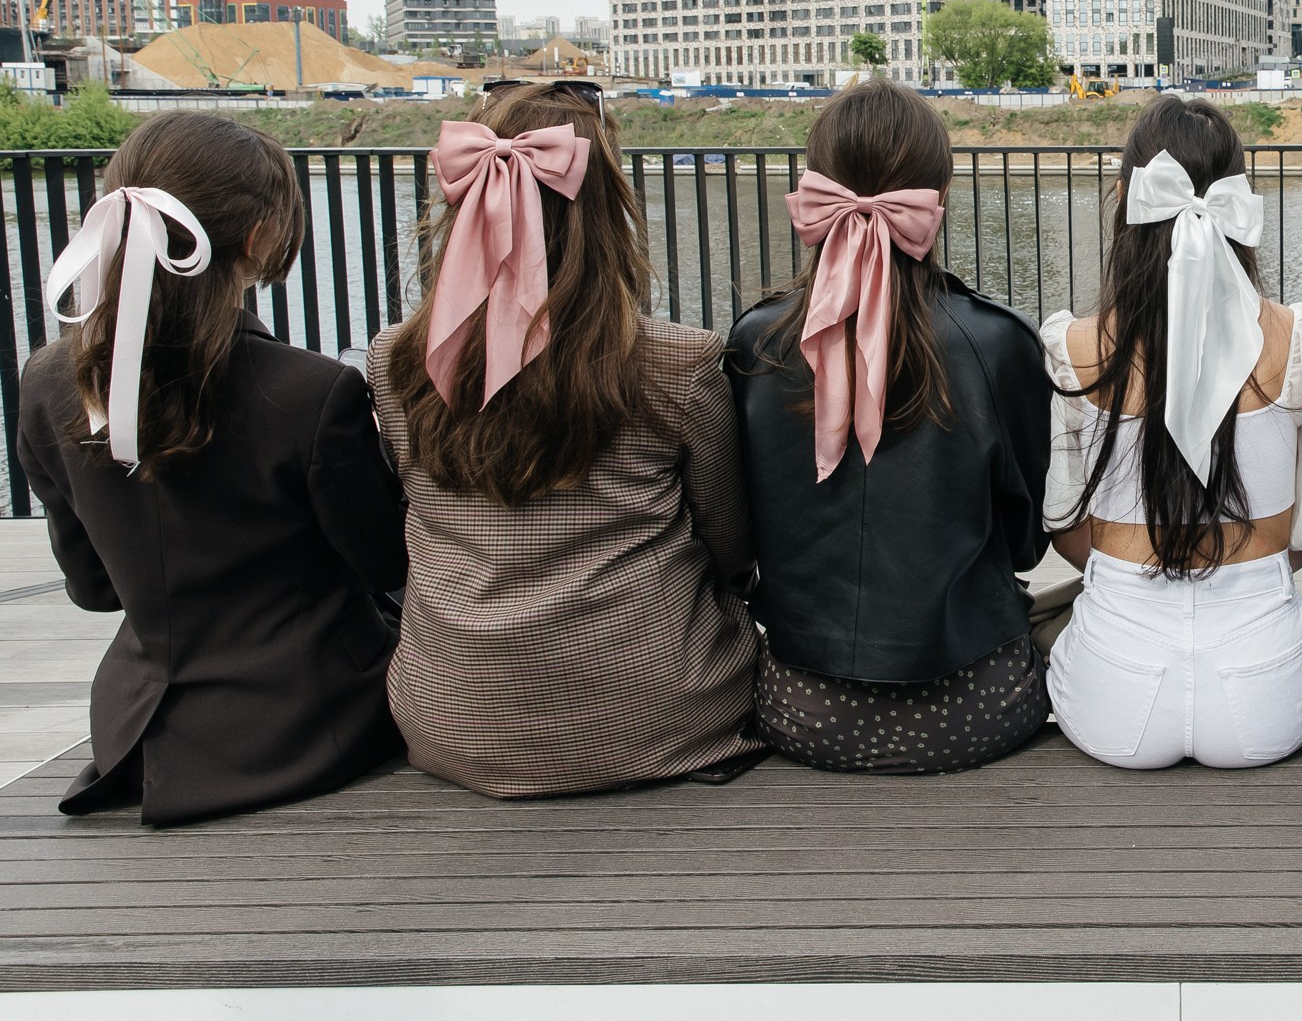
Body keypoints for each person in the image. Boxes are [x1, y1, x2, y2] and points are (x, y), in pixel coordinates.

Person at [369, 82, 760, 798]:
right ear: (608, 209)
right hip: (660, 713)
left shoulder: (398, 362)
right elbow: (729, 545)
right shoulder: (678, 362)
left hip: (453, 719)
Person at [15, 113, 406, 825]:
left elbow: (95, 590)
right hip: (305, 724)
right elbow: (384, 560)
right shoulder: (313, 393)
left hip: (136, 727)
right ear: (257, 241)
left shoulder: (47, 382)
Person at [727, 79, 1055, 774]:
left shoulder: (753, 345)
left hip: (800, 706)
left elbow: (739, 538)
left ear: (815, 186)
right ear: (936, 195)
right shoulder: (999, 343)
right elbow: (1027, 546)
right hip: (977, 710)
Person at [1041, 95, 1302, 770]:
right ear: (1238, 203)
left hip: (1114, 699)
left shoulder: (1072, 346)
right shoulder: (1299, 339)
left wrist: (1133, 569)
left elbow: (1064, 522)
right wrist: (1251, 570)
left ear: (1126, 196)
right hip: (1264, 699)